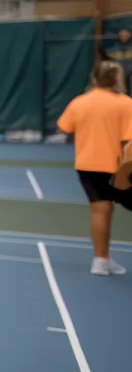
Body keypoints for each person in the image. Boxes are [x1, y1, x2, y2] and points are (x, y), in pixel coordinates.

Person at [57, 60, 132, 276]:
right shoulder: (126, 103)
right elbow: (129, 140)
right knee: (106, 209)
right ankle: (102, 260)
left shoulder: (79, 102)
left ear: (94, 79)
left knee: (101, 209)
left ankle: (100, 261)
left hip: (87, 166)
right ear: (118, 79)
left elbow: (64, 127)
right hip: (119, 167)